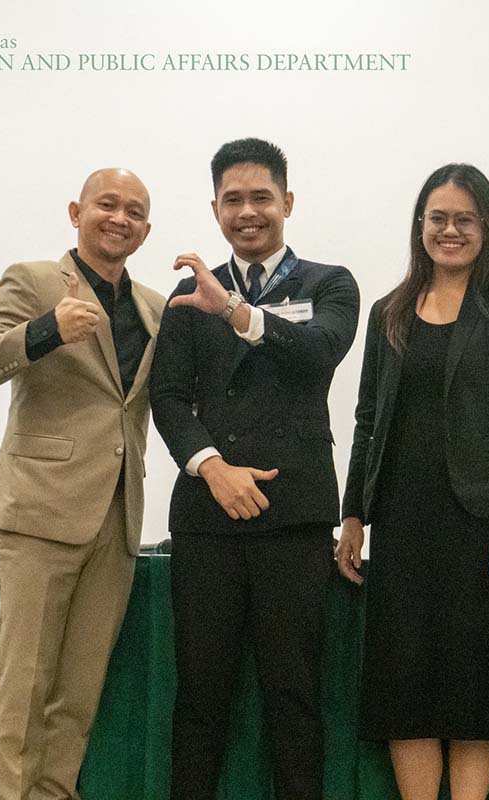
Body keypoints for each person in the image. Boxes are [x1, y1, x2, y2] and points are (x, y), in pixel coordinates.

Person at [149, 138, 360, 800]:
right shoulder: (187, 294)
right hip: (206, 518)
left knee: (293, 697)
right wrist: (212, 467)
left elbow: (320, 349)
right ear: (215, 209)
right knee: (199, 697)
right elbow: (167, 397)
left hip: (294, 516)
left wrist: (236, 312)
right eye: (232, 200)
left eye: (261, 197)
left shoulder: (329, 283)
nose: (247, 212)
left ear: (287, 202)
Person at [336, 163, 489, 800]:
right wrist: (353, 516)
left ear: (486, 227)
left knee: (476, 683)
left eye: (464, 219)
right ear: (420, 225)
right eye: (438, 219)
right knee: (406, 683)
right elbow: (367, 419)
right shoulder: (389, 312)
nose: (449, 231)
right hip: (402, 523)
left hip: (481, 527)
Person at [0, 168, 165, 800]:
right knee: (23, 690)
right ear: (77, 212)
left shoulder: (156, 307)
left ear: (146, 230)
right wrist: (45, 329)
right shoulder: (33, 280)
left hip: (117, 516)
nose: (120, 219)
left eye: (134, 212)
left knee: (77, 696)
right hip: (36, 513)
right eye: (108, 205)